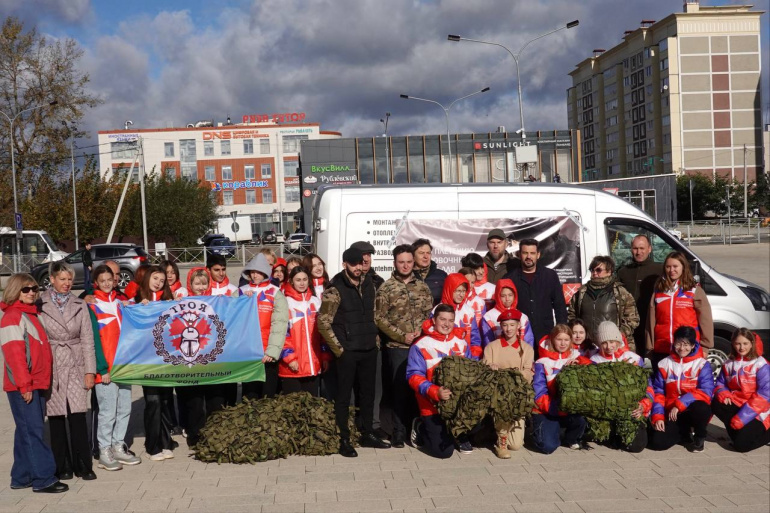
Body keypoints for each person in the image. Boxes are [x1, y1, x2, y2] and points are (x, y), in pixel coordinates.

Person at [318, 246, 390, 457]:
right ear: (344, 264)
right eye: (353, 264)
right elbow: (323, 323)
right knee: (343, 397)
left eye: (360, 263)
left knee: (368, 394)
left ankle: (367, 433)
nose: (358, 267)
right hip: (347, 352)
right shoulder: (335, 289)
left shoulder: (370, 284)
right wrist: (340, 350)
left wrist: (376, 341)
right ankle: (344, 439)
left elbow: (376, 315)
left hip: (369, 349)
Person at [1, 274, 68, 494]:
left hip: (37, 382)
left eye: (34, 288)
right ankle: (43, 478)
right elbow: (14, 356)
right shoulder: (12, 316)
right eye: (25, 289)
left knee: (26, 430)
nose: (31, 292)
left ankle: (21, 476)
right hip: (24, 385)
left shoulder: (32, 313)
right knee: (34, 432)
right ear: (15, 291)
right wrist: (25, 385)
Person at [38, 261, 96, 480]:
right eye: (62, 279)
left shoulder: (79, 304)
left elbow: (87, 340)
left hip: (75, 363)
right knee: (56, 417)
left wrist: (89, 371)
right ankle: (62, 465)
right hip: (52, 364)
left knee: (78, 415)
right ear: (52, 279)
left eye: (70, 279)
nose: (67, 283)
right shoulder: (40, 304)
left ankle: (83, 465)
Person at [375, 244, 434, 448]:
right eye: (402, 262)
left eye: (409, 262)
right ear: (394, 263)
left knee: (418, 390)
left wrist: (421, 331)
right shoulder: (386, 288)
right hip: (396, 347)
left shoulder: (422, 287)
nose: (406, 265)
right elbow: (379, 318)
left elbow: (429, 314)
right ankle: (398, 432)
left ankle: (417, 429)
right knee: (399, 391)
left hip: (420, 347)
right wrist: (402, 336)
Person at [89, 265, 141, 471]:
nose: (107, 283)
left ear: (115, 280)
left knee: (124, 409)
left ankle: (118, 445)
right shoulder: (92, 306)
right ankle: (104, 450)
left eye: (109, 279)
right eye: (102, 281)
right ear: (96, 283)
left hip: (124, 367)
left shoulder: (121, 303)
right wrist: (102, 369)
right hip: (106, 371)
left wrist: (144, 304)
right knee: (107, 412)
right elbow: (94, 341)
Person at [406, 305, 473, 458]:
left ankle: (457, 433)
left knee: (480, 417)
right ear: (434, 320)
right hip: (432, 405)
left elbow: (472, 369)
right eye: (442, 319)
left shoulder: (461, 343)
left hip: (458, 404)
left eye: (451, 320)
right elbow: (413, 376)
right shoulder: (421, 345)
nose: (447, 324)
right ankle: (421, 426)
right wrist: (435, 392)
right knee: (443, 452)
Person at [648, 326, 713, 452]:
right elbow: (659, 393)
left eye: (686, 344)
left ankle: (699, 437)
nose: (682, 348)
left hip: (691, 409)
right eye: (679, 343)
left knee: (702, 407)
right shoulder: (664, 364)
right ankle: (683, 433)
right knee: (657, 442)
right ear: (674, 343)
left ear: (693, 345)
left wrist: (680, 404)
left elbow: (706, 391)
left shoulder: (702, 364)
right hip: (672, 413)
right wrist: (658, 416)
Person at [588, 321, 651, 453]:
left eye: (612, 342)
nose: (608, 346)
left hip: (631, 408)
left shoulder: (633, 359)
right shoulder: (594, 361)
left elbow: (648, 386)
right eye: (604, 343)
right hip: (607, 410)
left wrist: (643, 405)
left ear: (618, 340)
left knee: (636, 446)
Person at [134, 265, 176, 460]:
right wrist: (137, 308)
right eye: (155, 278)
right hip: (147, 361)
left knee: (166, 400)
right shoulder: (137, 299)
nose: (158, 283)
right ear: (147, 278)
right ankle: (153, 446)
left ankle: (166, 442)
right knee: (153, 401)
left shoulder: (169, 301)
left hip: (166, 360)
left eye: (162, 280)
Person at [646, 252, 713, 369]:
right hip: (662, 348)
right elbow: (650, 321)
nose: (671, 270)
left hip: (687, 349)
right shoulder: (659, 290)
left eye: (675, 266)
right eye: (668, 267)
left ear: (683, 267)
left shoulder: (694, 290)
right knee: (661, 381)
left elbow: (705, 321)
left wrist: (705, 347)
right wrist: (650, 346)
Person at [482, 309, 534, 458]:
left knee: (516, 445)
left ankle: (501, 432)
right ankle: (501, 441)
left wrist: (510, 374)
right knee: (502, 402)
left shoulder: (527, 349)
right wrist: (490, 367)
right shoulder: (492, 347)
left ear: (518, 326)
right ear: (501, 327)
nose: (509, 329)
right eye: (505, 325)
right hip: (497, 393)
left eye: (512, 325)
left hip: (518, 394)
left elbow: (528, 373)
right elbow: (484, 369)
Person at [531, 324, 587, 454]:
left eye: (566, 340)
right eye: (559, 339)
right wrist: (557, 408)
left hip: (567, 409)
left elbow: (593, 368)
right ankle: (547, 431)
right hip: (547, 409)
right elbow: (539, 394)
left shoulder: (576, 356)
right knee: (547, 447)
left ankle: (570, 437)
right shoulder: (542, 362)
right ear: (552, 340)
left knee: (581, 420)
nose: (563, 343)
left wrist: (580, 364)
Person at [239, 254, 289, 399]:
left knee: (268, 396)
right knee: (249, 396)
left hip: (268, 353)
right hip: (248, 352)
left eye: (259, 272)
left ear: (266, 272)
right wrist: (241, 301)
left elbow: (279, 324)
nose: (255, 275)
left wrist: (272, 352)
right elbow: (232, 318)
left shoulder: (275, 293)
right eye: (252, 272)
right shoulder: (241, 291)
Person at [712, 328, 770, 452]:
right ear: (733, 344)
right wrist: (723, 393)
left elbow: (765, 395)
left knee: (741, 446)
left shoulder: (760, 364)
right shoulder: (728, 363)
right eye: (738, 343)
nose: (741, 347)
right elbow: (720, 383)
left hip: (758, 411)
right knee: (716, 403)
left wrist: (742, 418)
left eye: (745, 343)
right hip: (737, 403)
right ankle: (738, 432)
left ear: (752, 344)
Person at [504, 238, 568, 349]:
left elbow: (560, 305)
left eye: (532, 253)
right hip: (520, 334)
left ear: (538, 255)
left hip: (545, 333)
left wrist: (561, 330)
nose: (529, 256)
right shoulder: (510, 278)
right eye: (525, 253)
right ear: (519, 254)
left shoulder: (550, 276)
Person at [567, 256, 639, 351]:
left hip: (612, 346)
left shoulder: (620, 292)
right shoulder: (581, 292)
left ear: (609, 272)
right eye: (592, 270)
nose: (594, 273)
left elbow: (632, 319)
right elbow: (572, 315)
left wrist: (617, 336)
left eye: (598, 270)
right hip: (588, 346)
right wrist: (577, 333)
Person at [278, 266, 330, 395]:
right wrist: (290, 358)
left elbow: (323, 333)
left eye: (305, 279)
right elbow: (281, 333)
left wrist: (325, 356)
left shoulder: (316, 302)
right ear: (291, 281)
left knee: (311, 403)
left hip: (313, 364)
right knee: (293, 404)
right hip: (292, 366)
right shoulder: (285, 302)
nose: (302, 283)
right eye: (298, 280)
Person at [616, 234, 663, 356]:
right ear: (631, 249)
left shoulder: (660, 270)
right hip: (630, 327)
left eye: (642, 248)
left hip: (652, 325)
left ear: (649, 249)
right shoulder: (623, 272)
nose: (638, 252)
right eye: (635, 248)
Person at [437, 273, 485, 359]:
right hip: (446, 359)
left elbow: (475, 339)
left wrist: (474, 359)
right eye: (457, 291)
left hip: (467, 359)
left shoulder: (469, 311)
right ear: (449, 289)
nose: (461, 294)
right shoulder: (437, 311)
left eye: (463, 291)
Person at [483, 279, 534, 347]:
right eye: (503, 296)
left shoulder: (523, 317)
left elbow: (529, 341)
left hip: (520, 352)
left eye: (510, 295)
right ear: (498, 296)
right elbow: (488, 343)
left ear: (515, 295)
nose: (507, 299)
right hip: (497, 352)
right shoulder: (489, 317)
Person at [411, 238, 447, 306]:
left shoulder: (442, 276)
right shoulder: (406, 275)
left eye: (428, 253)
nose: (425, 256)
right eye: (421, 253)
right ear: (413, 256)